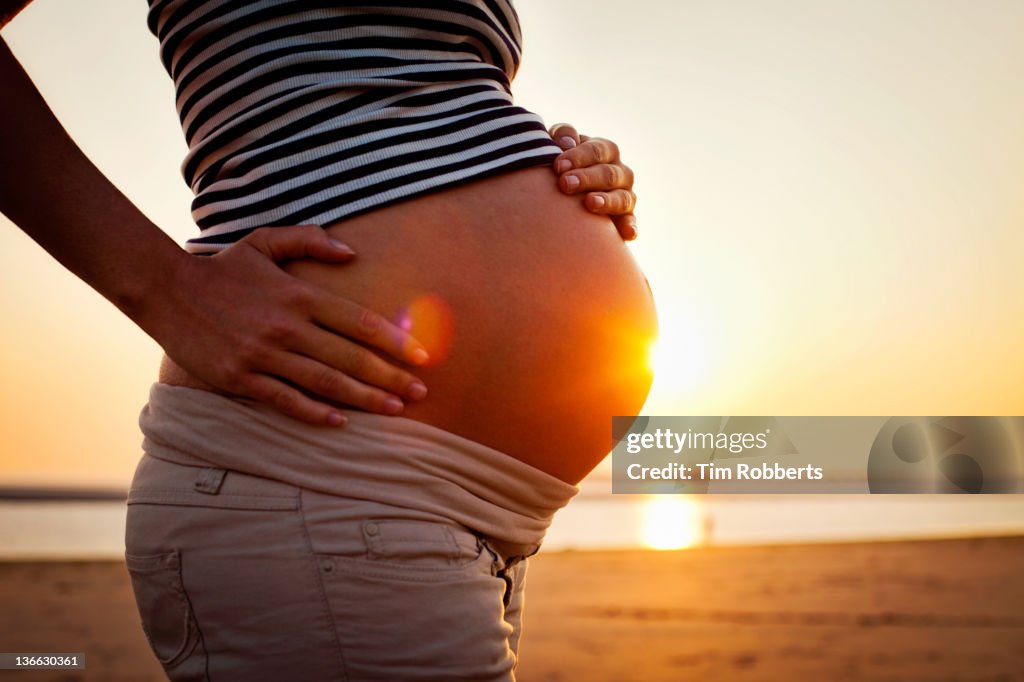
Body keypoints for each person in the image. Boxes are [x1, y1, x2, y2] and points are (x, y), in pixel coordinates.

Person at [1, 2, 657, 680]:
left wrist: (546, 159)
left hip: (461, 510)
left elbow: (399, 92)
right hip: (316, 475)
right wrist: (163, 287)